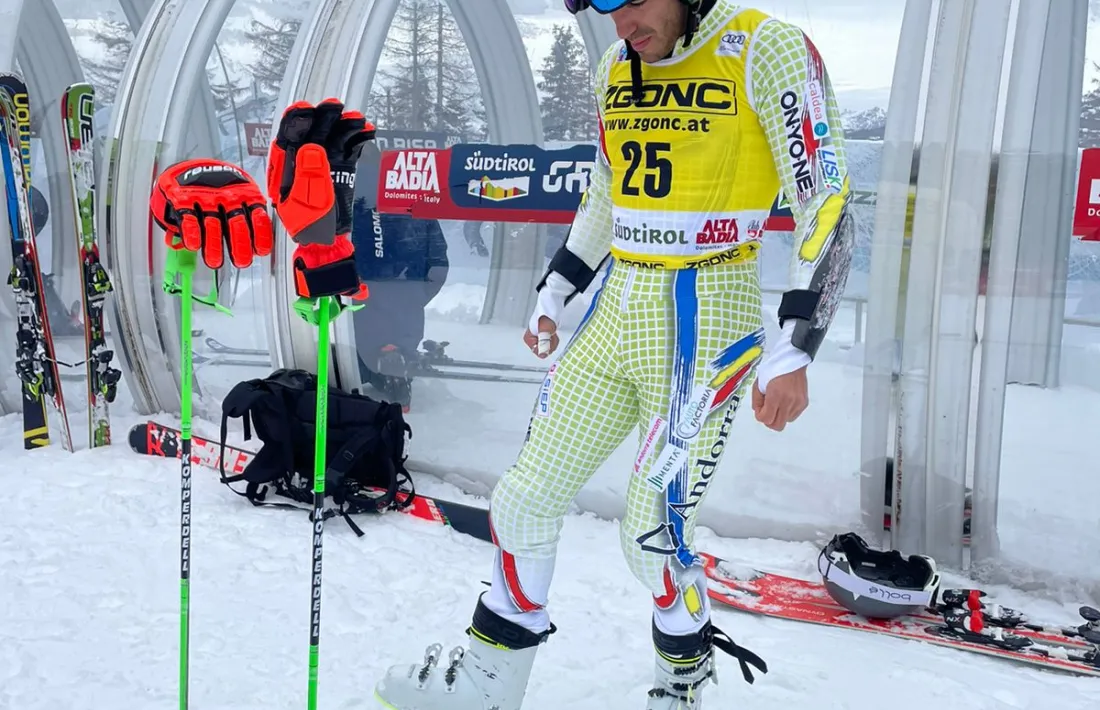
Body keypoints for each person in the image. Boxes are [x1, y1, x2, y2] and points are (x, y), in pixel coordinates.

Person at [373, 1, 854, 708]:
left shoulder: (765, 45)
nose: (620, 25)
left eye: (632, 2)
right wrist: (556, 288)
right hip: (617, 304)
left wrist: (797, 343)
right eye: (604, 8)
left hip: (709, 308)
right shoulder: (616, 64)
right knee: (525, 497)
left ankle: (683, 674)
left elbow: (828, 198)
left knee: (651, 534)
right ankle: (486, 682)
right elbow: (605, 188)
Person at [351, 142, 450, 411]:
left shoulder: (346, 195)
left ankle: (379, 365)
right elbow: (438, 256)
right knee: (401, 320)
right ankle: (398, 362)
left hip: (362, 290)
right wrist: (419, 293)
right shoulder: (407, 191)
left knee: (361, 337)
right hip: (408, 288)